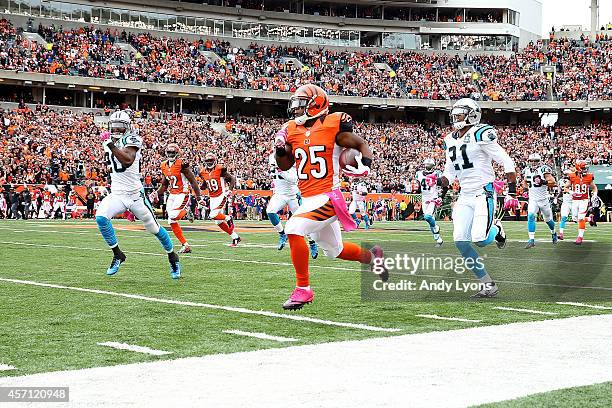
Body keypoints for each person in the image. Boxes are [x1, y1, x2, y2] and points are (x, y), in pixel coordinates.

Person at [275, 83, 386, 310]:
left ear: (315, 105)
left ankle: (303, 289)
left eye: (301, 104)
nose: (295, 109)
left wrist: (366, 163)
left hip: (328, 196)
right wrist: (280, 150)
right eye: (295, 104)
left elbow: (359, 143)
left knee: (293, 228)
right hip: (308, 198)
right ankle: (373, 257)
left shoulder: (332, 123)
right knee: (335, 251)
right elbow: (285, 164)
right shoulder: (292, 129)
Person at [439, 98, 516, 298]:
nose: (456, 117)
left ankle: (497, 229)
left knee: (480, 240)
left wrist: (513, 189)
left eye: (461, 113)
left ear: (472, 114)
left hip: (483, 191)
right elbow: (450, 169)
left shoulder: (481, 133)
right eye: (455, 113)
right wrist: (442, 182)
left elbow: (505, 160)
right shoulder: (449, 139)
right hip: (465, 194)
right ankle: (487, 284)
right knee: (461, 242)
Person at [95, 110, 181, 279]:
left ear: (127, 127)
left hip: (135, 195)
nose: (117, 130)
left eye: (121, 127)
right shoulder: (110, 142)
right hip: (117, 194)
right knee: (101, 217)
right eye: (115, 126)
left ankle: (173, 256)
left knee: (154, 228)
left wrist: (110, 145)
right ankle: (118, 254)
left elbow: (127, 161)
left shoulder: (132, 139)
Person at [152, 143, 203, 254]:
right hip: (172, 194)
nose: (170, 154)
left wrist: (198, 197)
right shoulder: (164, 165)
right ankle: (185, 245)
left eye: (173, 153)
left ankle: (186, 211)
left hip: (182, 193)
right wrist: (156, 193)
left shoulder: (182, 164)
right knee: (171, 220)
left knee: (173, 215)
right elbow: (164, 185)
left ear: (177, 154)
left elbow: (193, 181)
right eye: (169, 152)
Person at [266, 152, 318, 257]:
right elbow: (271, 171)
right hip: (279, 194)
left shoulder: (292, 163)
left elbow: (293, 180)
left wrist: (281, 171)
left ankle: (312, 242)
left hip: (293, 196)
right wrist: (273, 170)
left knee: (302, 220)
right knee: (270, 211)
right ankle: (282, 234)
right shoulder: (273, 157)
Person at [199, 152, 241, 246]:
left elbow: (232, 179)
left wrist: (230, 190)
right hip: (212, 197)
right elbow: (206, 183)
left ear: (215, 161)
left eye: (211, 160)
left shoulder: (220, 169)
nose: (209, 162)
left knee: (213, 215)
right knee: (218, 221)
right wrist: (201, 187)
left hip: (221, 195)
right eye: (207, 161)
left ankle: (228, 217)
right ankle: (235, 237)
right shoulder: (202, 172)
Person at [522, 153, 557, 249]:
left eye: (536, 161)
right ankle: (531, 240)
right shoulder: (526, 170)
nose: (533, 163)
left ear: (539, 161)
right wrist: (525, 189)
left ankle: (553, 233)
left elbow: (553, 182)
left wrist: (543, 182)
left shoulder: (543, 170)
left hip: (544, 199)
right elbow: (525, 181)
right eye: (532, 161)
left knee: (548, 219)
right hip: (533, 199)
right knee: (531, 215)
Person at [565, 160, 598, 245]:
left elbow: (594, 187)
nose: (585, 170)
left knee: (580, 218)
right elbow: (566, 188)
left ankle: (580, 237)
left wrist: (594, 195)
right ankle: (590, 219)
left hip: (584, 200)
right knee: (574, 218)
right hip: (575, 200)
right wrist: (572, 192)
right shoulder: (572, 176)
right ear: (578, 168)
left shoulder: (589, 176)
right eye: (583, 168)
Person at [415, 158, 443, 246]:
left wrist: (441, 196)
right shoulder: (419, 173)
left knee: (427, 217)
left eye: (429, 165)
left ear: (433, 166)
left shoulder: (437, 173)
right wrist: (416, 189)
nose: (427, 167)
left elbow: (442, 184)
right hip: (424, 198)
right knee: (430, 220)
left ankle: (436, 227)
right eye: (426, 165)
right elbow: (419, 187)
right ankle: (438, 239)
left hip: (433, 198)